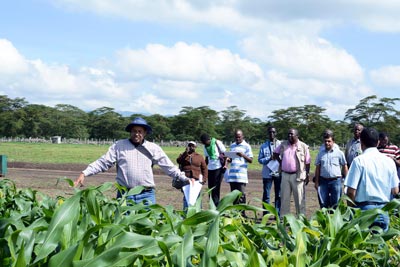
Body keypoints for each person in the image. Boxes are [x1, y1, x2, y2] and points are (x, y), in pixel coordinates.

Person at [74, 117, 191, 205]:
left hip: (146, 195)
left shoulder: (153, 148)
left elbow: (168, 167)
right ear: (130, 132)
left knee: (148, 229)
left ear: (145, 133)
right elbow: (103, 162)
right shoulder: (119, 146)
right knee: (123, 228)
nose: (137, 134)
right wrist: (84, 173)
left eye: (140, 131)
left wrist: (184, 178)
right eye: (134, 131)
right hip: (125, 195)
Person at [344, 127, 399, 232]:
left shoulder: (359, 161)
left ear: (361, 143)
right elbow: (395, 190)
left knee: (362, 246)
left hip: (363, 211)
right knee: (380, 245)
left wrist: (352, 211)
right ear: (378, 142)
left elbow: (351, 192)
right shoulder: (389, 161)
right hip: (383, 210)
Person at [273, 128, 311, 217]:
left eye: (291, 134)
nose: (289, 136)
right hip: (285, 175)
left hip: (297, 176)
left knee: (299, 199)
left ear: (297, 136)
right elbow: (275, 153)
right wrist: (281, 162)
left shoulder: (303, 146)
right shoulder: (283, 144)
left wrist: (307, 174)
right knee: (284, 199)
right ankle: (284, 220)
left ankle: (300, 220)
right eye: (288, 134)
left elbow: (307, 162)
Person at [314, 131, 348, 209]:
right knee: (323, 204)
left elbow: (344, 166)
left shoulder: (339, 153)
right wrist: (316, 182)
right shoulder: (320, 153)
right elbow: (318, 168)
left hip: (336, 181)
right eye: (325, 141)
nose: (327, 143)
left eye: (329, 141)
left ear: (333, 142)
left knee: (336, 204)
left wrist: (346, 181)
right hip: (323, 182)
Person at [176, 141, 208, 209]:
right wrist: (185, 153)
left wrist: (204, 180)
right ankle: (186, 212)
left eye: (193, 146)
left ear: (195, 147)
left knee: (197, 196)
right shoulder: (183, 155)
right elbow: (178, 161)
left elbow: (204, 169)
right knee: (186, 197)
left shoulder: (199, 156)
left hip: (196, 180)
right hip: (186, 179)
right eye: (190, 146)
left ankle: (198, 211)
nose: (191, 147)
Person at [225, 129, 253, 205]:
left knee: (241, 195)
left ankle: (242, 213)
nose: (237, 139)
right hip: (232, 175)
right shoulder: (232, 145)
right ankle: (234, 213)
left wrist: (243, 155)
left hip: (241, 175)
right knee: (233, 195)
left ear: (242, 136)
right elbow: (231, 158)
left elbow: (251, 160)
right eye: (236, 137)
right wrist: (228, 159)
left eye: (239, 137)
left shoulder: (247, 146)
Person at [258, 126, 281, 215]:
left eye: (273, 132)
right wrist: (269, 158)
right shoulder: (263, 146)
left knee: (278, 194)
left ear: (276, 133)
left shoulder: (281, 145)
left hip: (278, 173)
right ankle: (266, 214)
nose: (272, 134)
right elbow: (260, 160)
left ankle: (277, 213)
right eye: (270, 132)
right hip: (267, 173)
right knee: (266, 195)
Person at [200, 133, 226, 206]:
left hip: (218, 167)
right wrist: (203, 169)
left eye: (204, 142)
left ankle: (217, 205)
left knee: (216, 187)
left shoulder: (217, 143)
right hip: (210, 168)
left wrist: (225, 165)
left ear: (208, 140)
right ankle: (212, 205)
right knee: (210, 188)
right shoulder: (205, 146)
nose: (204, 144)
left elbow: (225, 154)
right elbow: (207, 158)